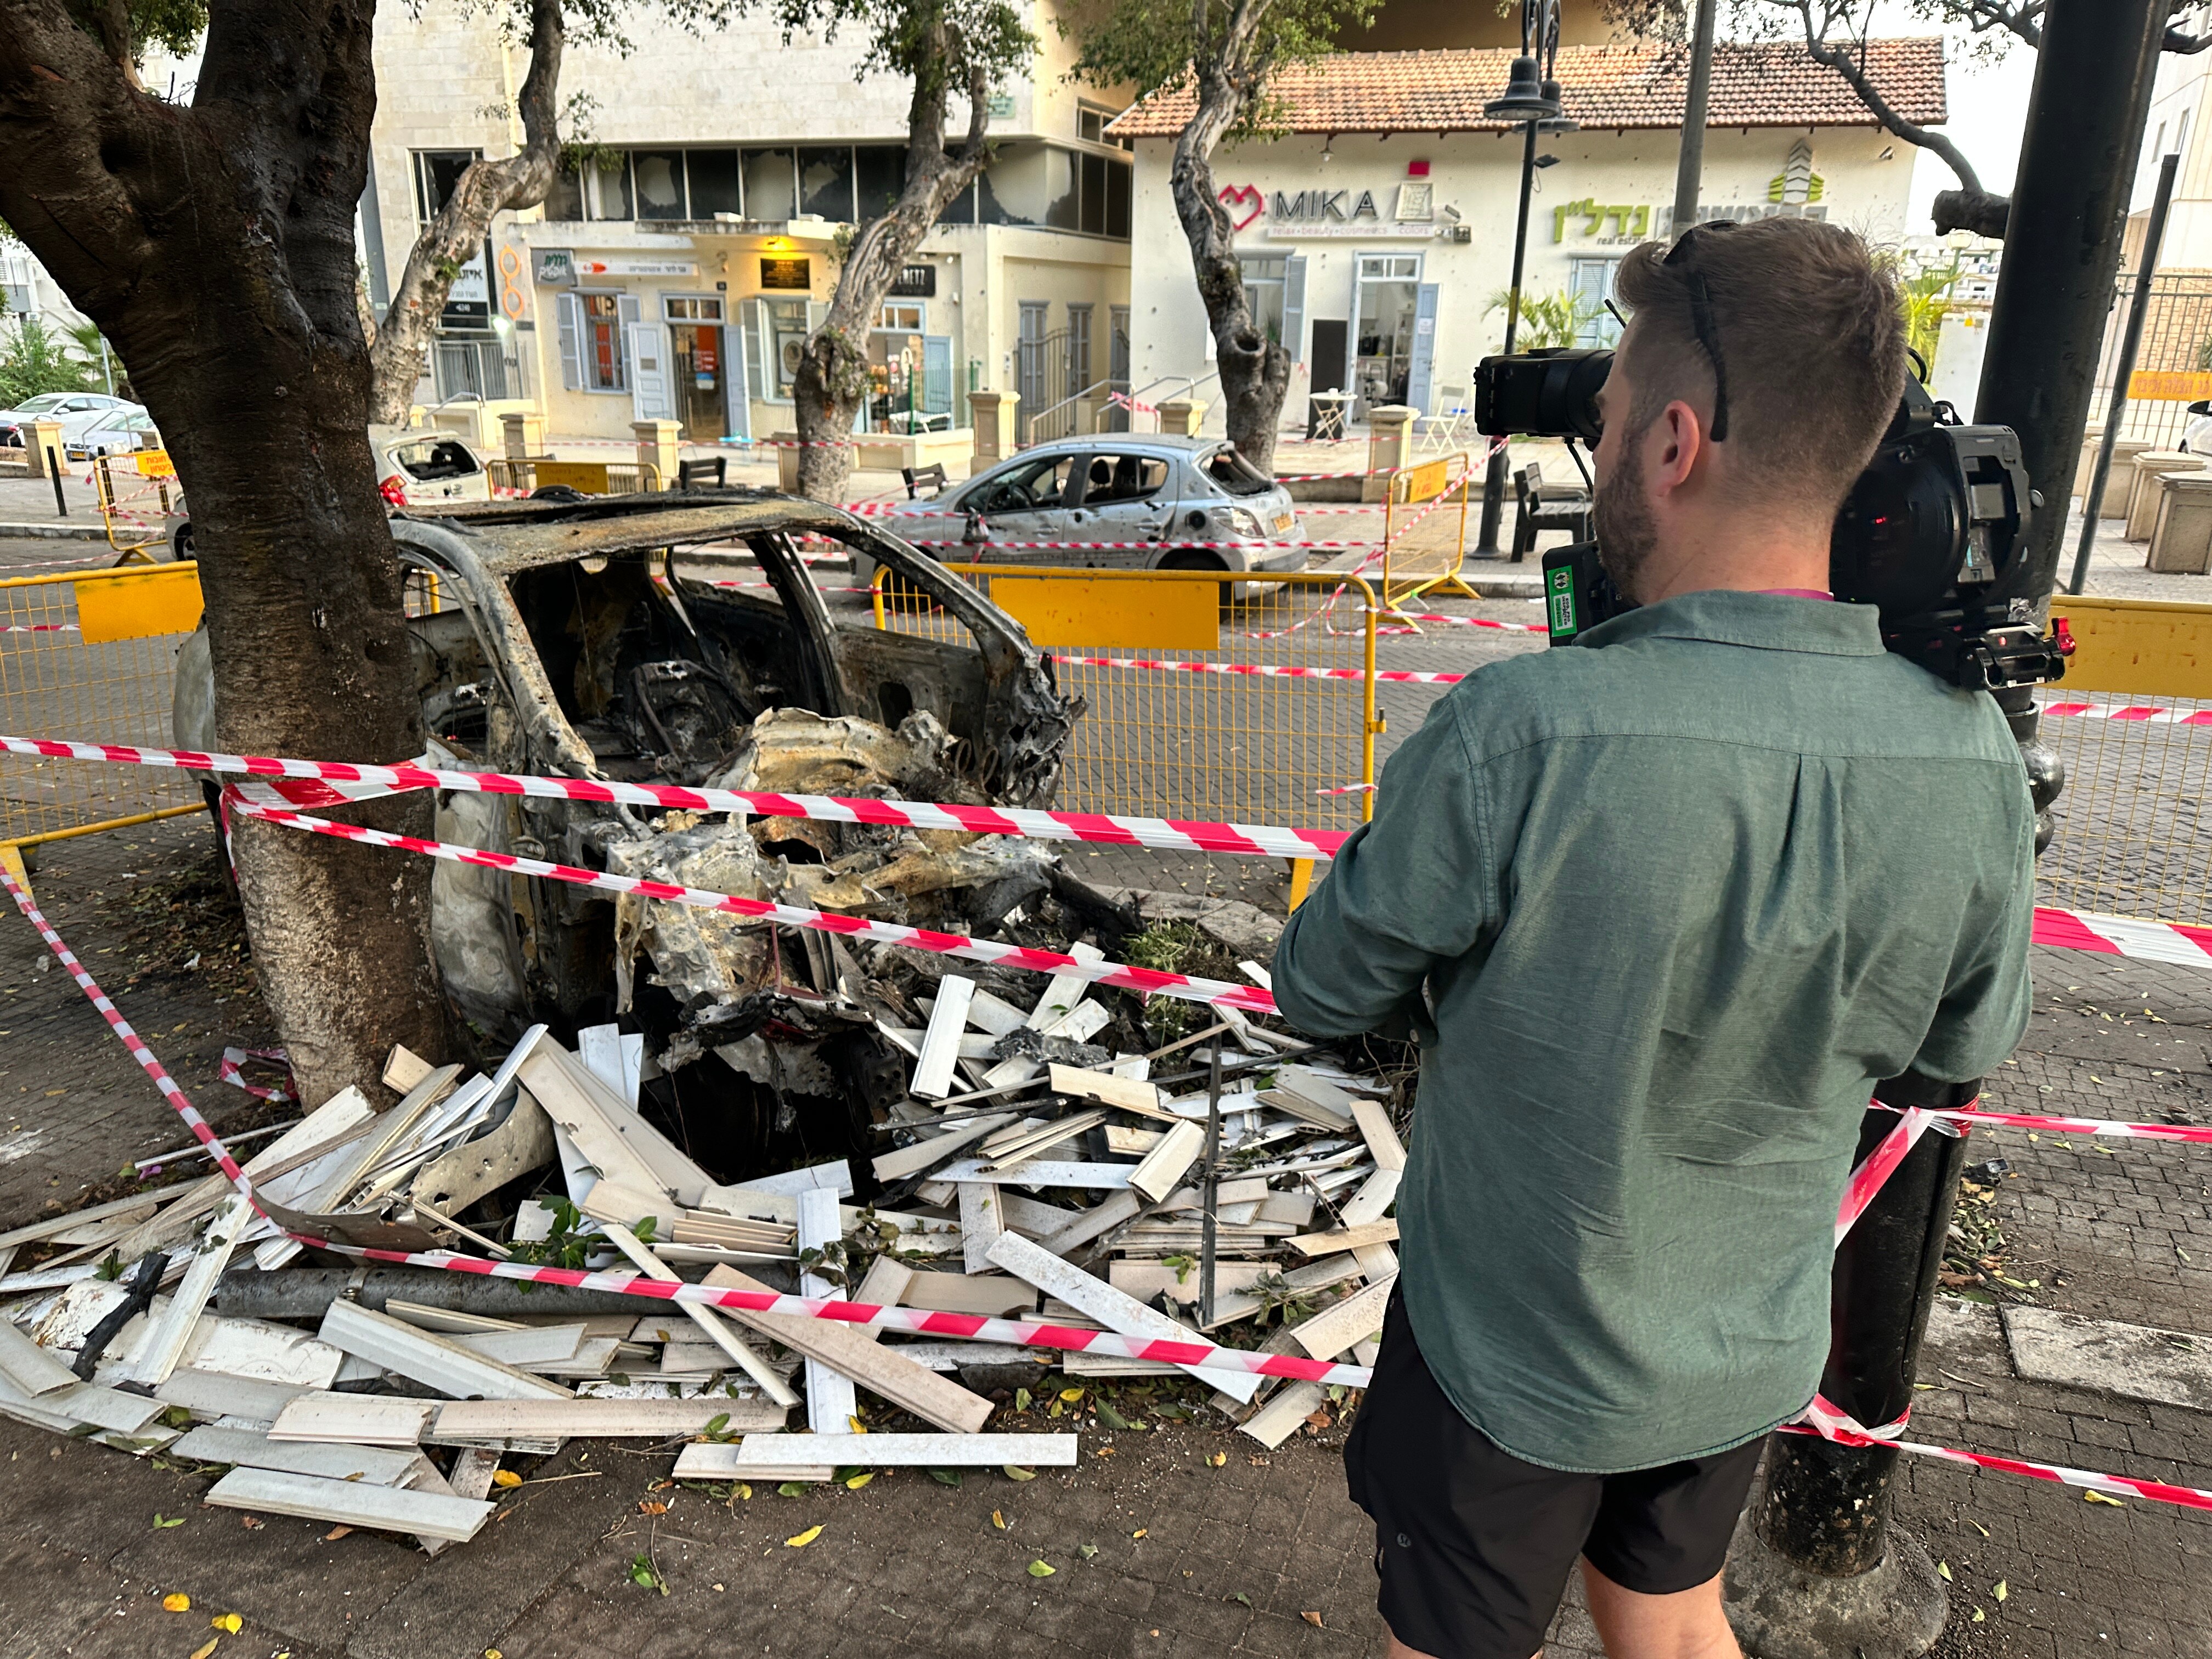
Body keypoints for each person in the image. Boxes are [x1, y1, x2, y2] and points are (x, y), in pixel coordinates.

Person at [1270, 217, 2035, 1659]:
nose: (1602, 445)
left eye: (1610, 421)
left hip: (1508, 1355)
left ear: (1674, 444)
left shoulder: (1517, 737)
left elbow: (1319, 983)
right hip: (1735, 1345)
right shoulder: (1976, 759)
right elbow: (1960, 1044)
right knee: (1671, 1616)